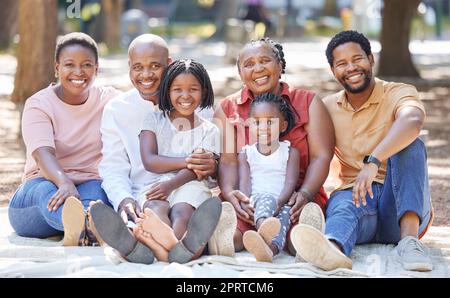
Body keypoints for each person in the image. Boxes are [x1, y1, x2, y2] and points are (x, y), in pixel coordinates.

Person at [291, 30, 433, 272]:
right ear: (333, 71)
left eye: (357, 59)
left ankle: (409, 243)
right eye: (342, 64)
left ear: (370, 59)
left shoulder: (397, 91)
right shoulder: (326, 107)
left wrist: (373, 161)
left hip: (398, 204)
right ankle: (331, 249)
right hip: (356, 195)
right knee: (344, 205)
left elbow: (413, 120)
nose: (351, 68)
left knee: (411, 145)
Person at [214, 37, 334, 256]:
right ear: (241, 74)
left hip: (296, 197)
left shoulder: (308, 101)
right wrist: (232, 193)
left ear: (280, 65)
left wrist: (306, 193)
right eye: (248, 64)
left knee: (297, 241)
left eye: (265, 61)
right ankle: (242, 236)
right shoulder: (227, 108)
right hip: (249, 197)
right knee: (234, 239)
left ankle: (302, 235)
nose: (258, 68)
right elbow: (229, 160)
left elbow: (321, 157)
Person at [8, 32, 121, 245]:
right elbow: (42, 153)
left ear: (96, 68)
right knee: (46, 192)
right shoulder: (39, 104)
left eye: (86, 65)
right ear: (57, 68)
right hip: (39, 188)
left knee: (97, 196)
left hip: (88, 180)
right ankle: (83, 226)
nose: (78, 72)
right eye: (69, 65)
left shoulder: (110, 100)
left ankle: (86, 224)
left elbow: (143, 105)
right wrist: (64, 182)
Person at [98, 34, 217, 226]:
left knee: (185, 215)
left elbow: (211, 160)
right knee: (150, 217)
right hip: (143, 194)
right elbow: (113, 167)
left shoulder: (197, 106)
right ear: (130, 67)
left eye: (155, 66)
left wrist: (211, 166)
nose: (146, 75)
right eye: (138, 67)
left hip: (189, 189)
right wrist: (123, 199)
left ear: (169, 64)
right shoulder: (117, 110)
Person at [134, 59, 221, 263]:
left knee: (182, 212)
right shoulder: (154, 120)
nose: (185, 96)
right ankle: (173, 249)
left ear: (204, 91)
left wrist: (171, 184)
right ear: (167, 91)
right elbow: (150, 160)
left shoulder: (210, 129)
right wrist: (188, 160)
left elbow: (197, 171)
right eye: (177, 89)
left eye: (193, 89)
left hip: (191, 183)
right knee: (156, 208)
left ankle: (161, 248)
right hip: (156, 182)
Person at [238, 93, 299, 262]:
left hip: (283, 199)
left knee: (285, 218)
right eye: (257, 122)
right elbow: (244, 183)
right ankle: (263, 227)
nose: (263, 127)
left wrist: (281, 202)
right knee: (266, 201)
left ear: (283, 125)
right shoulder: (246, 153)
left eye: (270, 122)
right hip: (258, 200)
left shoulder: (290, 152)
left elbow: (291, 181)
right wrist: (246, 203)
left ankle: (270, 250)